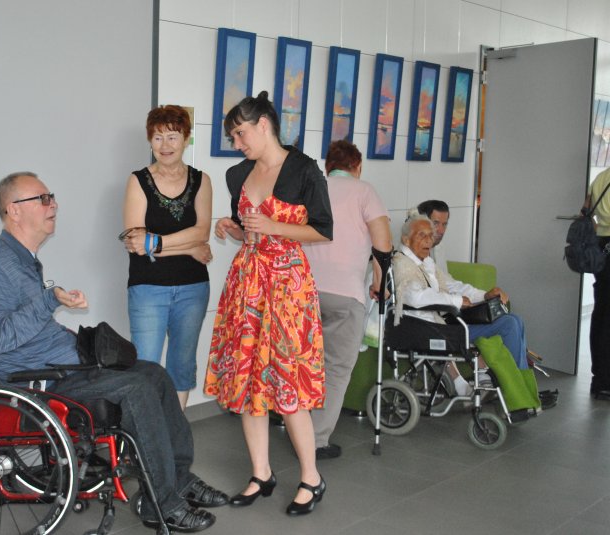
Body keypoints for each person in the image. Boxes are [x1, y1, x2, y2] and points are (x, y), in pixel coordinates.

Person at [0, 171, 228, 533]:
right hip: (39, 384)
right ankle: (161, 503)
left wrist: (71, 336)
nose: (53, 205)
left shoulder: (23, 259)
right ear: (14, 210)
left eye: (52, 197)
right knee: (136, 389)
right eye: (43, 199)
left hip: (66, 368)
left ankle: (179, 479)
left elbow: (32, 327)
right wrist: (49, 300)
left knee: (155, 373)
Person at [203, 92, 333, 516]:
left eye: (240, 134)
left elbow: (323, 230)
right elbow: (251, 231)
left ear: (263, 124)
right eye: (232, 137)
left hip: (287, 287)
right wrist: (235, 228)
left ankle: (311, 477)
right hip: (248, 283)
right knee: (246, 380)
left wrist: (274, 225)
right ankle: (261, 473)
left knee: (288, 381)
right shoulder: (238, 174)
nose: (237, 144)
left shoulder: (304, 169)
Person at [303, 140, 391, 460]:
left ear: (328, 166)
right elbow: (383, 245)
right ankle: (315, 441)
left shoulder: (311, 189)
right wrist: (379, 283)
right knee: (336, 369)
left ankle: (294, 426)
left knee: (304, 364)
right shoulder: (365, 191)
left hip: (303, 291)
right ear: (358, 166)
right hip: (345, 294)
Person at [121, 105, 212, 410]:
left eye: (172, 137)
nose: (165, 145)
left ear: (186, 138)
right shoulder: (138, 180)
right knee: (145, 366)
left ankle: (176, 430)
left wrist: (156, 243)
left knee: (182, 364)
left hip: (193, 287)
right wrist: (188, 247)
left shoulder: (201, 180)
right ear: (150, 141)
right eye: (157, 138)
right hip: (148, 287)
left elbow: (202, 233)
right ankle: (148, 433)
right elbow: (135, 241)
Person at [393, 214, 529, 396]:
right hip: (430, 329)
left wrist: (484, 295)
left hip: (445, 323)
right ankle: (518, 390)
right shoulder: (402, 264)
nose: (429, 241)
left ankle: (522, 386)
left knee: (514, 320)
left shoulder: (426, 263)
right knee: (509, 324)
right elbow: (415, 297)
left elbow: (452, 285)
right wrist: (455, 301)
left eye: (430, 235)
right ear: (405, 239)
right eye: (421, 235)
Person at [586, 168, 610, 400]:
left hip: (601, 246)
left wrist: (600, 231)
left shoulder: (601, 178)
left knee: (601, 313)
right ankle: (605, 382)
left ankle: (600, 379)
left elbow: (586, 210)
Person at [417, 199, 450, 275]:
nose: (441, 231)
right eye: (435, 223)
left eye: (444, 224)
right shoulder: (406, 253)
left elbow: (444, 277)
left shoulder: (439, 246)